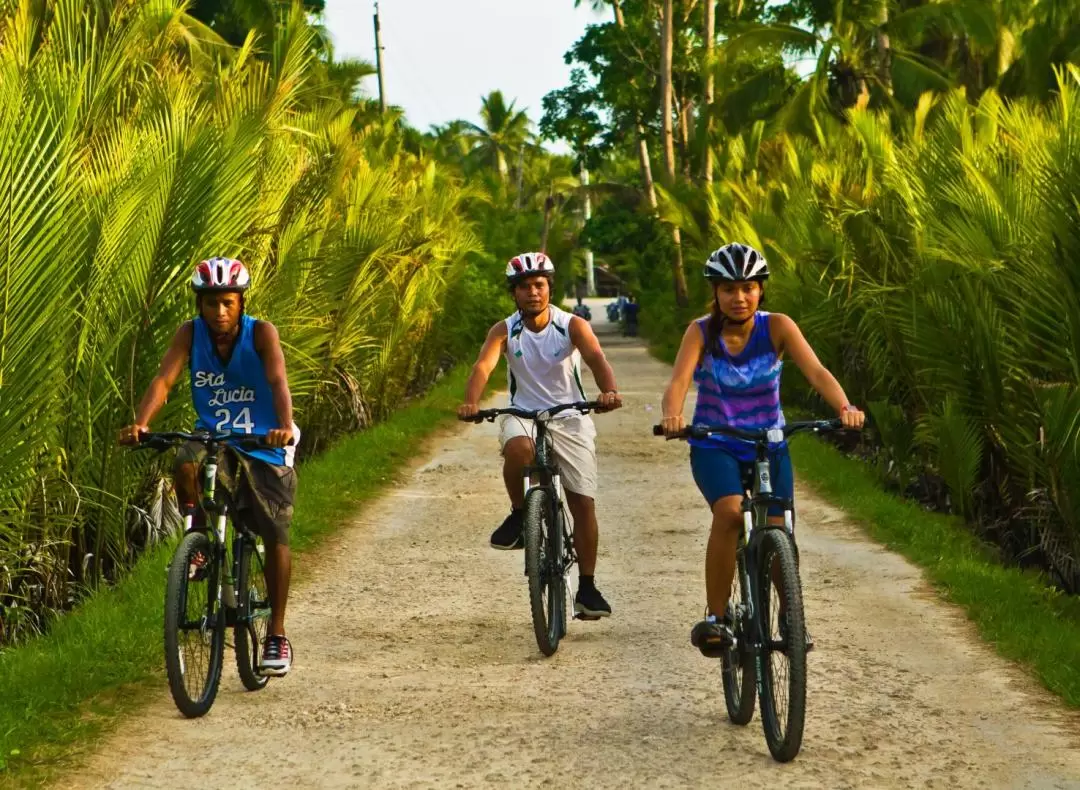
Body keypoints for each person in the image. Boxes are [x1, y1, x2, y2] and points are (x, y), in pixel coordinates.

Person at [659, 243, 864, 657]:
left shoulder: (778, 328)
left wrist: (844, 407)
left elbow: (817, 371)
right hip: (715, 442)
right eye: (729, 289)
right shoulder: (700, 332)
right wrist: (673, 415)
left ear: (761, 290)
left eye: (748, 288)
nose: (739, 298)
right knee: (731, 513)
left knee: (779, 528)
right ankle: (716, 618)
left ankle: (791, 616)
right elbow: (679, 380)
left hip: (769, 443)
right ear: (715, 293)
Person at [119, 257, 300, 676]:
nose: (219, 312)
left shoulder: (262, 333)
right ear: (199, 305)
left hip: (261, 439)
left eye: (228, 303)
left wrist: (284, 426)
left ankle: (276, 633)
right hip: (213, 435)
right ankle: (197, 540)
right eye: (211, 303)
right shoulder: (189, 333)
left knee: (275, 531)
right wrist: (142, 424)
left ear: (241, 303)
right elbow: (164, 380)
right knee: (185, 462)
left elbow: (277, 382)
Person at [458, 252, 622, 619]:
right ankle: (520, 514)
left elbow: (596, 358)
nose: (533, 292)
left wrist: (609, 390)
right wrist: (470, 402)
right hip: (524, 413)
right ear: (513, 294)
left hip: (571, 415)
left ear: (549, 288)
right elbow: (483, 365)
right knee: (518, 449)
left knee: (583, 503)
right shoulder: (504, 330)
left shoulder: (572, 325)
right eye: (524, 287)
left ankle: (588, 587)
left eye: (539, 285)